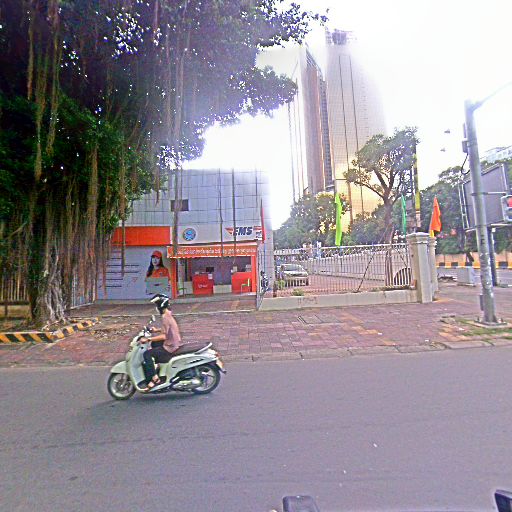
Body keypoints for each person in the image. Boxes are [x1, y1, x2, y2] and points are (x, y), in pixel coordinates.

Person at [139, 294, 182, 391]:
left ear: (160, 305)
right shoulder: (168, 314)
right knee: (155, 345)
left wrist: (148, 339)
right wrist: (156, 330)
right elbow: (167, 329)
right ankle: (159, 368)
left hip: (170, 347)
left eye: (157, 305)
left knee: (147, 354)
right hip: (173, 342)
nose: (156, 308)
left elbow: (164, 336)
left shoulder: (165, 317)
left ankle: (155, 378)